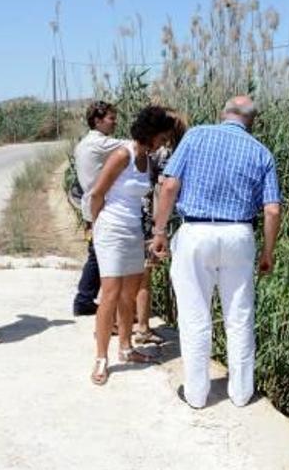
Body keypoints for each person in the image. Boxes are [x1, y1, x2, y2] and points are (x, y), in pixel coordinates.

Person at [150, 96, 282, 408]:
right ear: (252, 121)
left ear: (223, 114)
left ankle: (196, 395)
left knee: (195, 314)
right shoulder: (261, 152)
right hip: (239, 234)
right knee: (239, 314)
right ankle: (241, 393)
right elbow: (273, 210)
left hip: (196, 232)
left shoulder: (196, 136)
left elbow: (168, 187)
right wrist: (268, 252)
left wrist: (159, 231)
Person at [89, 105, 176, 385]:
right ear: (150, 134)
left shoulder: (147, 160)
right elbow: (97, 194)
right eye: (162, 138)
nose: (163, 144)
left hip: (132, 230)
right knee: (111, 294)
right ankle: (102, 358)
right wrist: (95, 225)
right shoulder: (121, 155)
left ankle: (126, 348)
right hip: (111, 230)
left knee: (129, 293)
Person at [133, 109, 188, 346]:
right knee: (145, 272)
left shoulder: (156, 150)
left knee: (137, 272)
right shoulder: (167, 152)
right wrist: (160, 227)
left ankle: (129, 321)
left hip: (144, 212)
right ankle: (142, 327)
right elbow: (163, 185)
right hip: (151, 216)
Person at [72, 101, 123, 316]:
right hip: (100, 205)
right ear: (97, 120)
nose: (115, 122)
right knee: (100, 254)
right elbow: (133, 145)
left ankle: (84, 299)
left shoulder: (84, 143)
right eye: (111, 118)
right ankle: (85, 300)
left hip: (91, 204)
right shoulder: (100, 143)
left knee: (95, 253)